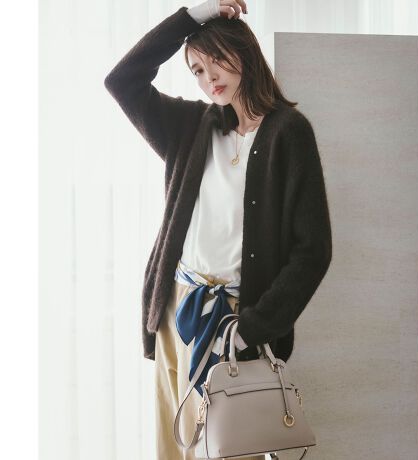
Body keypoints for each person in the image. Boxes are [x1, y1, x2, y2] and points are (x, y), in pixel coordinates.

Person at [104, 1, 332, 458]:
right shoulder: (189, 126)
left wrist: (254, 327)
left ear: (243, 52)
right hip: (175, 307)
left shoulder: (289, 133)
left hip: (232, 321)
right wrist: (193, 16)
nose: (209, 77)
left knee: (224, 449)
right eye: (196, 70)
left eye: (216, 61)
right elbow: (122, 80)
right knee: (174, 448)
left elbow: (313, 250)